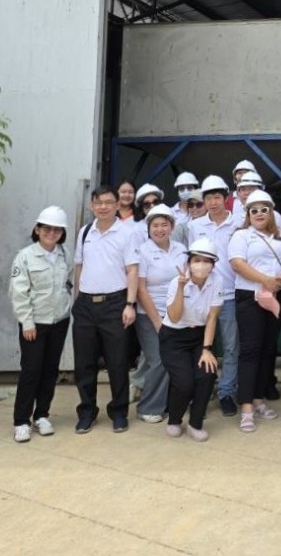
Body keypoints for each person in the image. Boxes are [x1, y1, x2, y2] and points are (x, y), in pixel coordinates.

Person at [72, 185, 140, 433]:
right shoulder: (85, 232)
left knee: (117, 362)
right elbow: (79, 267)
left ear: (117, 205)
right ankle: (87, 411)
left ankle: (119, 411)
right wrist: (77, 300)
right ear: (92, 206)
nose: (103, 207)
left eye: (108, 202)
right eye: (98, 202)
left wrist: (130, 304)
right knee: (84, 364)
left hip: (115, 304)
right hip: (85, 305)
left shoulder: (127, 233)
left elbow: (133, 270)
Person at [228, 189, 281, 432]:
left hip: (276, 294)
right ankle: (246, 407)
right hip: (250, 296)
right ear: (248, 214)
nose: (259, 214)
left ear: (271, 212)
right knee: (250, 351)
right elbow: (237, 263)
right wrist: (266, 280)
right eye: (254, 210)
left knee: (267, 349)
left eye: (264, 209)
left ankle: (258, 398)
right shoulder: (241, 235)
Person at [9, 206, 73, 443]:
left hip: (59, 322)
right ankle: (21, 421)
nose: (51, 233)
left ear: (62, 233)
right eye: (47, 228)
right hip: (34, 324)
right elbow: (19, 292)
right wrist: (27, 322)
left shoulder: (65, 254)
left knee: (50, 370)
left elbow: (68, 283)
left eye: (57, 229)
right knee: (31, 371)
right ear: (37, 229)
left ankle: (42, 415)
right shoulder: (25, 256)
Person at [160, 237, 224, 442]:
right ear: (188, 262)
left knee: (207, 374)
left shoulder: (217, 281)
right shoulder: (176, 282)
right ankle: (174, 420)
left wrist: (207, 349)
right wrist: (181, 288)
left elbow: (212, 317)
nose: (201, 265)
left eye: (207, 261)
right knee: (184, 382)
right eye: (197, 260)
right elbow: (174, 316)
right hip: (174, 337)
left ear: (213, 265)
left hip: (200, 336)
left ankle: (195, 424)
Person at [188, 175, 241, 417]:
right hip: (203, 295)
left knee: (231, 347)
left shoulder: (238, 223)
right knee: (202, 346)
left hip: (230, 294)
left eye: (217, 197)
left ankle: (226, 391)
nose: (213, 202)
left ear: (226, 198)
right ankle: (203, 390)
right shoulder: (195, 226)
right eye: (208, 198)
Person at [134, 203, 187, 424]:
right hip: (149, 314)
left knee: (174, 359)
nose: (159, 229)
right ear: (148, 228)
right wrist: (157, 320)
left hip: (177, 313)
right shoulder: (142, 251)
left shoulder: (181, 250)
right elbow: (140, 288)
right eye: (155, 225)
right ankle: (148, 407)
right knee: (158, 359)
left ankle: (170, 403)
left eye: (164, 225)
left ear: (172, 226)